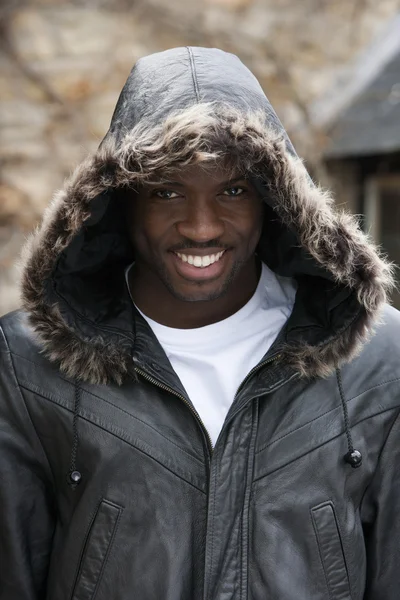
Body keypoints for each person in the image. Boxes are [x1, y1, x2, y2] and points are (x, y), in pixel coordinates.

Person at [0, 46, 399, 600]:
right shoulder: (26, 362)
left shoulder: (379, 360)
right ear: (122, 203)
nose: (201, 226)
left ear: (273, 201)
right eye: (167, 191)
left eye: (233, 190)